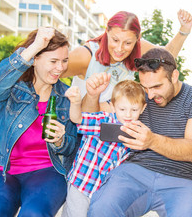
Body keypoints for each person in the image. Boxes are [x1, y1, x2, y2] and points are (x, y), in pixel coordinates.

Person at [86, 48, 192, 216]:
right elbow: (90, 117)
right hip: (135, 171)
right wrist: (92, 95)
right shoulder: (141, 95)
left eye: (157, 86)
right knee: (101, 208)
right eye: (145, 87)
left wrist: (152, 141)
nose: (150, 94)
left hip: (183, 180)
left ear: (174, 76)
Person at [0, 27, 77, 216]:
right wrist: (34, 47)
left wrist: (60, 140)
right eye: (53, 61)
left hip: (47, 170)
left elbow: (73, 146)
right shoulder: (12, 87)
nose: (60, 68)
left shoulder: (67, 97)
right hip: (2, 168)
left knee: (34, 213)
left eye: (64, 61)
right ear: (35, 59)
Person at [62, 10, 192, 110]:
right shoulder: (85, 55)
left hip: (113, 129)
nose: (119, 49)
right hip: (81, 130)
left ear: (137, 39)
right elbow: (47, 71)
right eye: (115, 40)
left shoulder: (138, 48)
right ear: (107, 31)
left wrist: (184, 30)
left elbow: (166, 56)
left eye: (128, 43)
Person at [62, 76, 146, 217]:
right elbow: (77, 119)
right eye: (122, 109)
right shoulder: (103, 121)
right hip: (82, 183)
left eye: (134, 109)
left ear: (143, 108)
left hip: (104, 192)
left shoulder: (139, 132)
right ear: (112, 106)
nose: (128, 114)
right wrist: (76, 103)